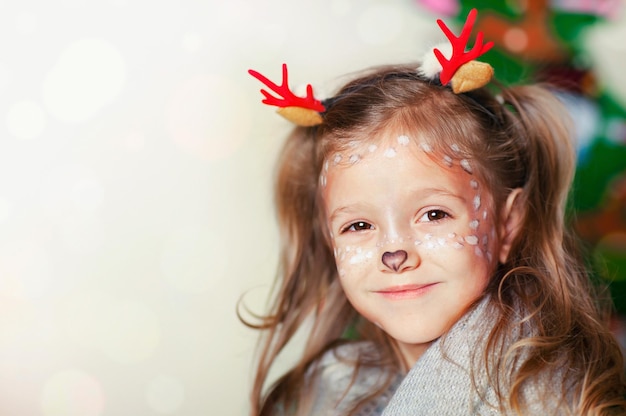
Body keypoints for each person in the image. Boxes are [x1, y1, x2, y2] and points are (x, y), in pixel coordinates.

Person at [242, 9, 626, 415]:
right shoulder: (328, 388)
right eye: (358, 225)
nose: (394, 253)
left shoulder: (550, 398)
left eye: (434, 215)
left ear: (509, 224)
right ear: (327, 238)